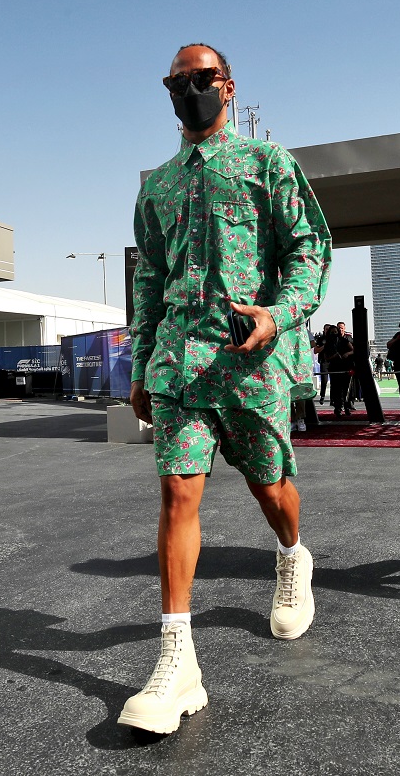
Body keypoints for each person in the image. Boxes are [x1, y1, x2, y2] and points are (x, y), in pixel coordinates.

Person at [122, 43, 331, 734]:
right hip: (180, 363)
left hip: (250, 362)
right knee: (177, 492)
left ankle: (292, 555)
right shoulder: (157, 187)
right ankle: (176, 661)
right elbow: (149, 280)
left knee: (271, 488)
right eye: (178, 82)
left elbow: (308, 250)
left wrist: (279, 313)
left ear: (229, 86)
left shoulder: (268, 164)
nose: (192, 90)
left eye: (203, 78)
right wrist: (142, 363)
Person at [325, 321, 355, 417]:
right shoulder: (328, 343)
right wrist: (334, 356)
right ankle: (337, 408)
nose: (334, 334)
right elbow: (326, 358)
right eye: (332, 332)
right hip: (334, 367)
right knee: (336, 389)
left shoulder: (344, 340)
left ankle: (347, 407)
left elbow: (353, 350)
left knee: (346, 388)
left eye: (336, 331)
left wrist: (347, 354)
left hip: (345, 366)